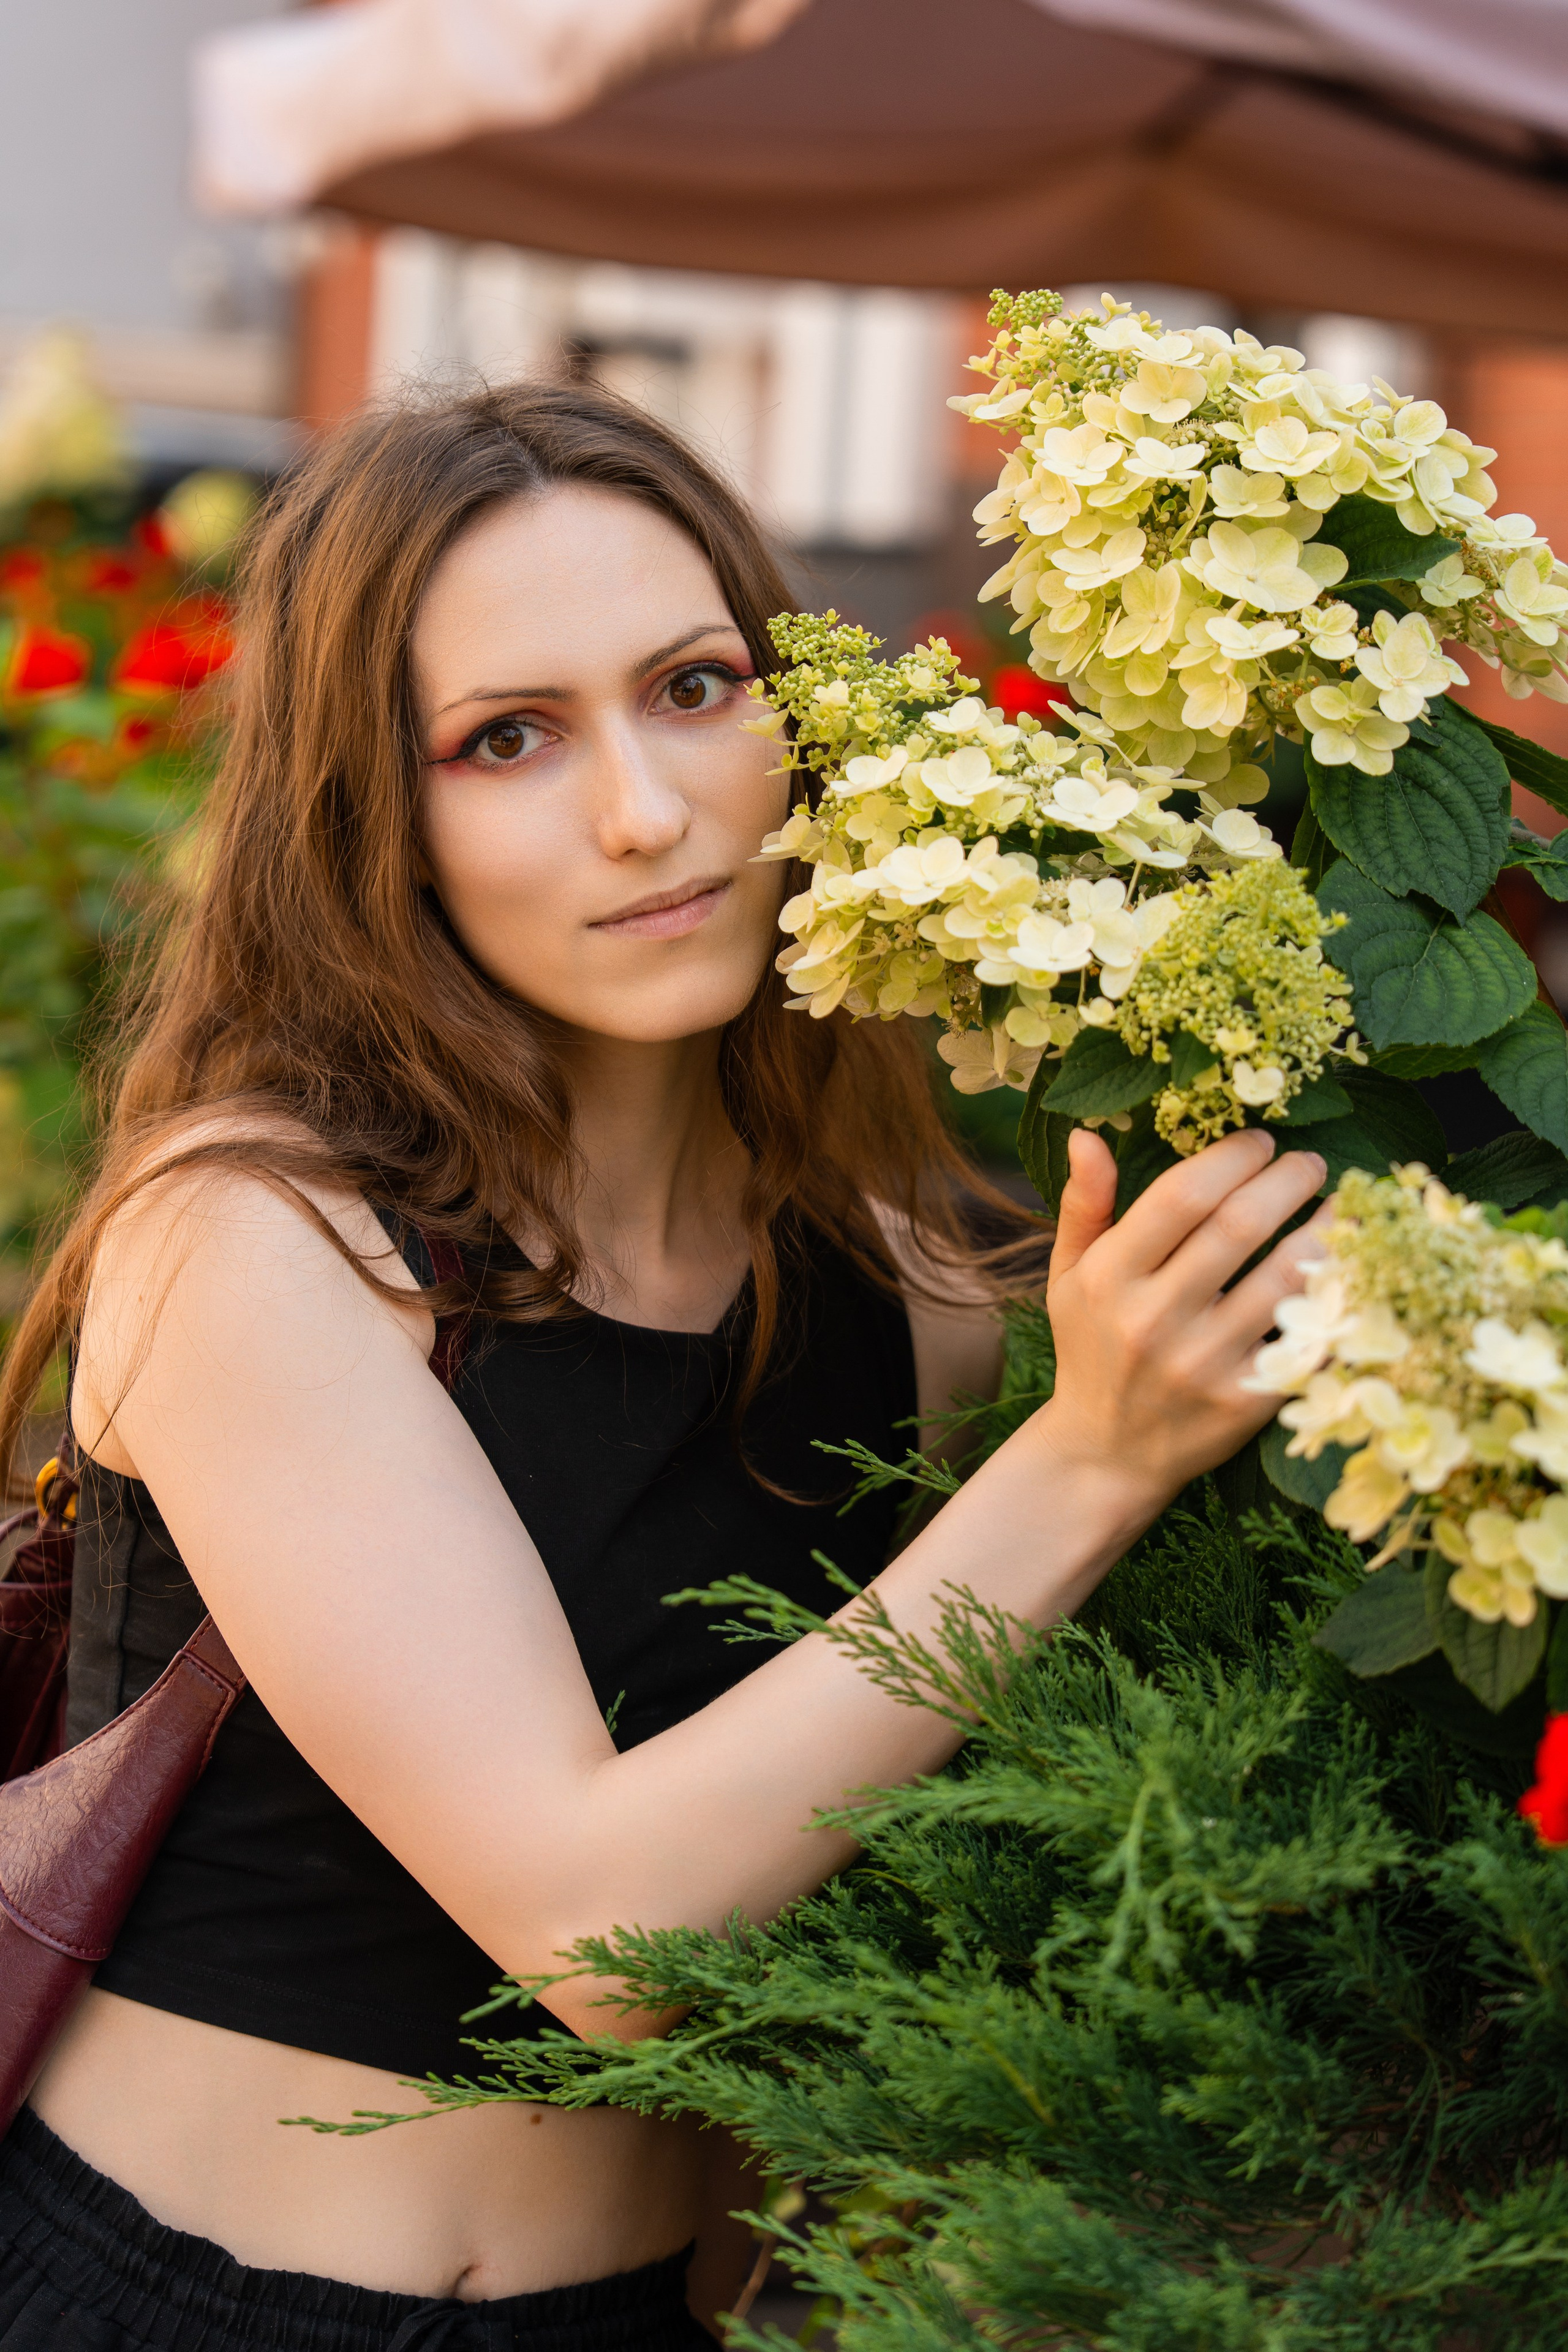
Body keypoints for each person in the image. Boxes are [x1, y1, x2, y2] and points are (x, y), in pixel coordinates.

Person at [0, 382, 1326, 2352]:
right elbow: (601, 1941)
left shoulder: (904, 1287)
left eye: (695, 687)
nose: (645, 808)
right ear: (380, 814)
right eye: (507, 738)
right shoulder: (264, 1238)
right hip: (172, 2303)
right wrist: (1093, 1458)